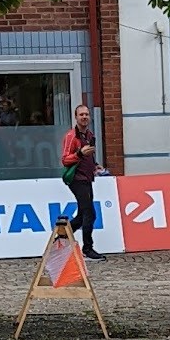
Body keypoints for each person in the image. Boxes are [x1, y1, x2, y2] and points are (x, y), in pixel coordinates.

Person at [61, 104, 107, 261]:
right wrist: (79, 153)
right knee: (90, 213)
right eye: (81, 114)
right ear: (76, 117)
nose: (85, 117)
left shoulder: (90, 135)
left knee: (82, 215)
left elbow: (89, 157)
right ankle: (87, 249)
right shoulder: (71, 136)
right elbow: (65, 160)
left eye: (86, 114)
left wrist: (95, 165)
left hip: (87, 178)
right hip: (76, 179)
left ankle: (60, 239)